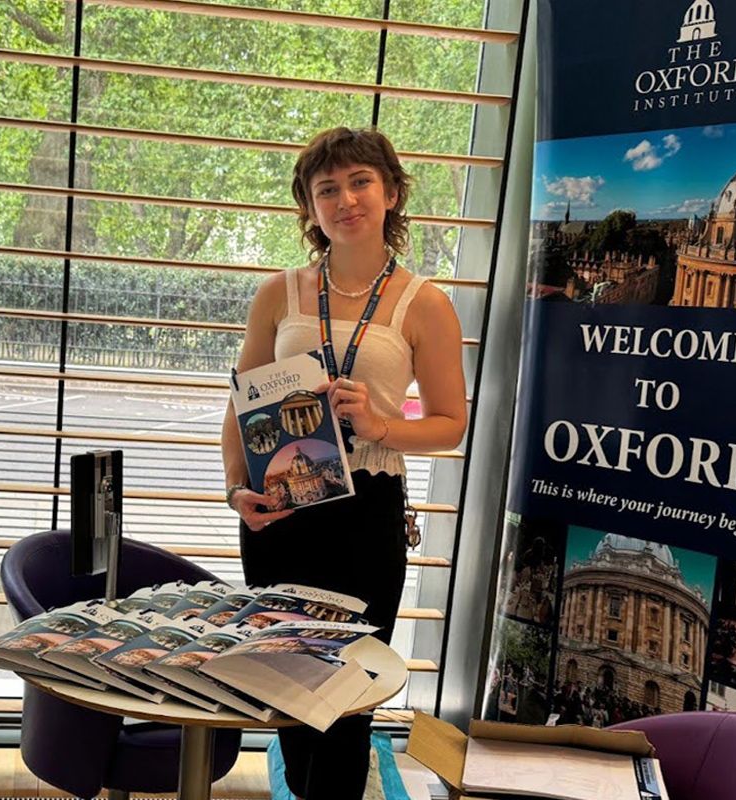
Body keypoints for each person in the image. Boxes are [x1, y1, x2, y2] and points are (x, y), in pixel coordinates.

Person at [221, 126, 468, 799]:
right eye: (326, 188)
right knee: (288, 691)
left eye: (360, 182)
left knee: (346, 697)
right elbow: (241, 406)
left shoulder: (426, 304)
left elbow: (452, 422)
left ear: (391, 192)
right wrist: (235, 490)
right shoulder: (280, 294)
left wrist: (383, 423)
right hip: (282, 508)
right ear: (310, 206)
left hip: (366, 516)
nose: (346, 199)